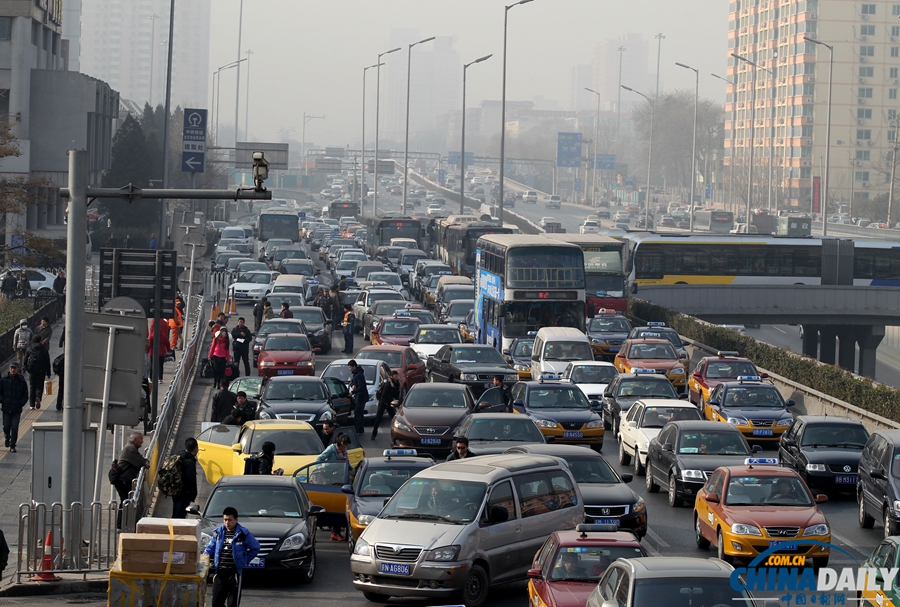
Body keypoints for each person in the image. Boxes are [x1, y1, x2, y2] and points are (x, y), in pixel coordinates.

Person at [203, 507, 260, 607]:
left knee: (232, 604)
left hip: (234, 574)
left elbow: (255, 547)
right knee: (216, 603)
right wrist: (203, 559)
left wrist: (244, 560)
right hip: (220, 573)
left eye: (230, 520)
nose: (227, 523)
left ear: (236, 520)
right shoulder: (218, 533)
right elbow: (210, 549)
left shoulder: (243, 534)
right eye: (225, 520)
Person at [114, 431, 150, 527]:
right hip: (123, 480)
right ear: (135, 440)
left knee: (125, 500)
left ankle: (122, 522)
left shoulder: (131, 448)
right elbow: (141, 462)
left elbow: (140, 459)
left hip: (125, 479)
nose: (142, 442)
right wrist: (145, 462)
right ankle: (121, 523)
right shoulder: (131, 449)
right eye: (141, 439)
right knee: (125, 500)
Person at [0, 362, 28, 452]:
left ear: (17, 369)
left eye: (14, 368)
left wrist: (20, 403)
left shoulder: (21, 381)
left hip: (16, 409)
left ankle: (13, 445)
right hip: (6, 407)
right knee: (6, 426)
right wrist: (3, 400)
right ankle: (7, 438)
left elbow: (25, 394)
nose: (12, 370)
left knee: (15, 427)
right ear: (9, 368)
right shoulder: (3, 380)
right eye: (11, 368)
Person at [171, 438, 199, 519]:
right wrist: (193, 494)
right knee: (179, 516)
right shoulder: (189, 460)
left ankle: (172, 529)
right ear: (196, 449)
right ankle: (175, 530)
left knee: (176, 513)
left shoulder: (179, 456)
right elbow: (191, 479)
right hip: (184, 493)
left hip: (175, 491)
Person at [371, 370, 401, 440]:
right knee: (378, 418)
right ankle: (374, 433)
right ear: (391, 376)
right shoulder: (388, 384)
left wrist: (398, 401)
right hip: (383, 402)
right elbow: (384, 395)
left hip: (390, 404)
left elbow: (397, 394)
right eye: (394, 375)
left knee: (393, 419)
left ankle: (396, 434)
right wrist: (392, 398)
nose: (396, 376)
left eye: (397, 375)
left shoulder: (397, 384)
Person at [25, 335, 50, 409]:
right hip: (41, 370)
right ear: (40, 340)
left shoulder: (30, 348)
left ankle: (31, 405)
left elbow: (25, 359)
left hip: (32, 371)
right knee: (39, 386)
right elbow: (47, 361)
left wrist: (26, 367)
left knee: (32, 386)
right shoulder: (44, 349)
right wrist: (48, 372)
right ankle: (38, 397)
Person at [347, 360, 367, 433]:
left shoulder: (359, 375)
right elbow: (352, 382)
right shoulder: (355, 374)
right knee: (360, 413)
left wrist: (352, 392)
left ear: (354, 366)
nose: (349, 369)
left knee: (357, 413)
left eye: (350, 367)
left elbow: (361, 387)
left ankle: (356, 430)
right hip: (360, 396)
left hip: (361, 397)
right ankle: (361, 429)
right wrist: (353, 385)